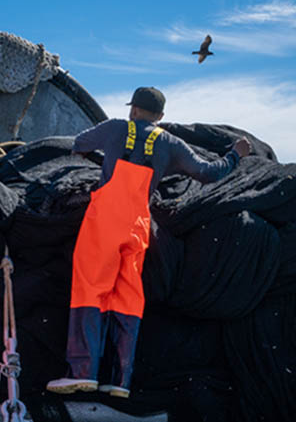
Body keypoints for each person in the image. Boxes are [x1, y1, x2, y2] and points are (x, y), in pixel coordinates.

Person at [47, 86, 252, 398]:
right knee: (127, 297)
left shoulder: (116, 127)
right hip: (139, 224)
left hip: (105, 220)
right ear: (161, 117)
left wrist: (103, 157)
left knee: (91, 289)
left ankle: (82, 372)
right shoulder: (171, 143)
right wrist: (236, 153)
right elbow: (208, 172)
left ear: (133, 110)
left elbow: (79, 143)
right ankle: (120, 380)